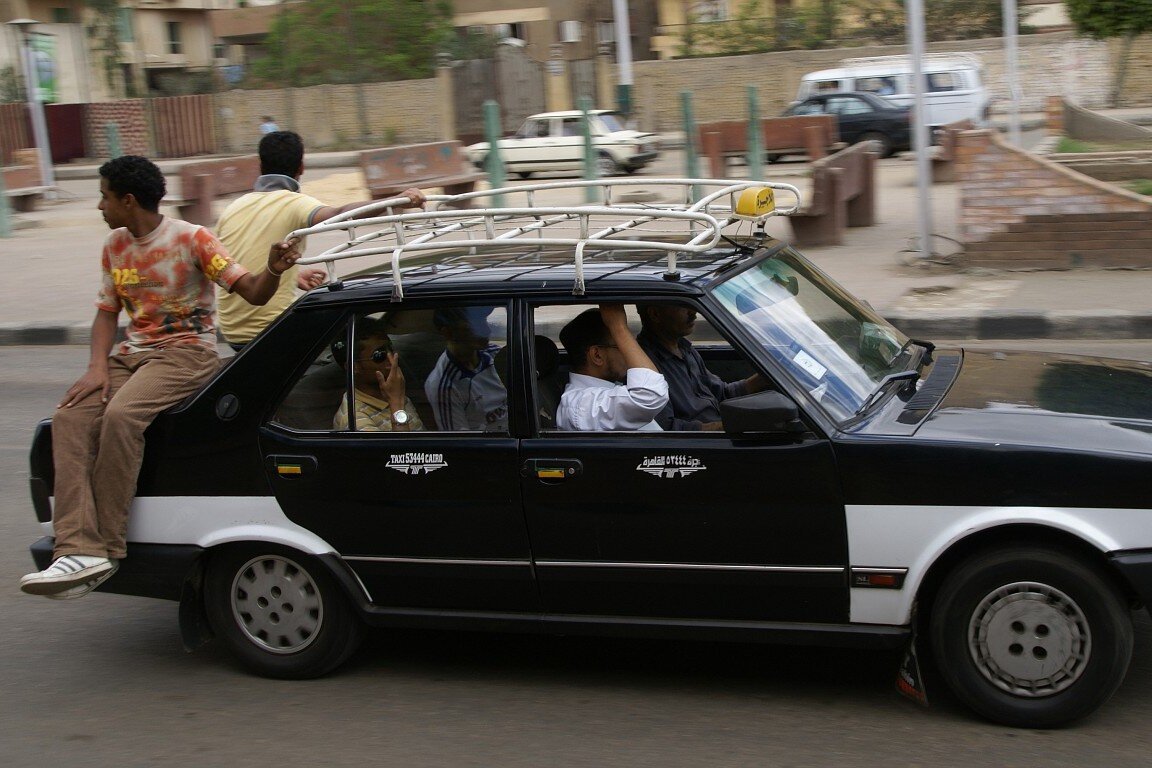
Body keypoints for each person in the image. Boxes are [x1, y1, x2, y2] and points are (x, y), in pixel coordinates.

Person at [20, 155, 300, 599]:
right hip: (133, 355)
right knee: (71, 416)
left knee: (121, 417)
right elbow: (106, 313)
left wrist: (274, 270)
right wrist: (97, 368)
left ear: (128, 200)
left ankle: (106, 547)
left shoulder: (193, 239)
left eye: (104, 197)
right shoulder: (115, 245)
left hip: (186, 355)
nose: (99, 206)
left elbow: (252, 292)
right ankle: (74, 548)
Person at [216, 130, 427, 349]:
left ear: (260, 165)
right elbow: (340, 214)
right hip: (268, 331)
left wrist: (294, 274)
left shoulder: (233, 208)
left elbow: (240, 259)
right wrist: (397, 200)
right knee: (359, 335)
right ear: (301, 168)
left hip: (232, 331)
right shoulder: (293, 203)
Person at [636, 303, 766, 431]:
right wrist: (733, 426)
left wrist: (767, 377)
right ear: (655, 314)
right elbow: (668, 429)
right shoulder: (644, 365)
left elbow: (722, 393)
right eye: (683, 306)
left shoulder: (685, 349)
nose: (693, 313)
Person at [556, 305, 669, 431]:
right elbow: (650, 395)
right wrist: (618, 327)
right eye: (622, 345)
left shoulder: (605, 391)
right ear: (597, 355)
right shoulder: (581, 405)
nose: (630, 354)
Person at [424, 307, 508, 431]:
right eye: (473, 326)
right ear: (448, 333)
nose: (486, 330)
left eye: (483, 321)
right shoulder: (444, 386)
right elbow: (460, 442)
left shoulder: (494, 354)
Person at [332, 318, 423, 432]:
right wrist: (396, 404)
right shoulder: (353, 418)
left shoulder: (393, 394)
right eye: (380, 355)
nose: (392, 360)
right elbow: (400, 449)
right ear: (353, 367)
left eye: (390, 349)